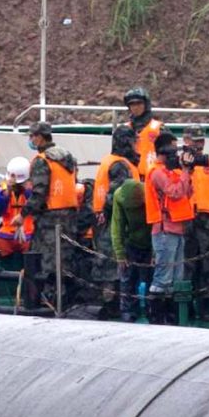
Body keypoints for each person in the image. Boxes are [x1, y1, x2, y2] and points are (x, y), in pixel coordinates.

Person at [15, 121, 78, 309]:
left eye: (32, 136)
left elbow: (39, 193)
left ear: (40, 137)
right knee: (65, 261)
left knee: (48, 263)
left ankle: (50, 303)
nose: (30, 140)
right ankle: (65, 302)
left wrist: (23, 214)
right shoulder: (67, 157)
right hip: (70, 216)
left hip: (50, 219)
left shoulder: (42, 161)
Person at [145, 132, 195, 324]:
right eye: (174, 149)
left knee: (176, 277)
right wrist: (184, 172)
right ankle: (157, 317)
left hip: (176, 228)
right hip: (165, 230)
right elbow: (175, 192)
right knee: (163, 277)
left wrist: (186, 172)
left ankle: (171, 317)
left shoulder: (171, 172)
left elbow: (187, 192)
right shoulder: (157, 172)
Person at [91, 125, 140, 307]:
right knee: (115, 264)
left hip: (104, 220)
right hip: (114, 222)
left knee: (108, 263)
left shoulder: (109, 161)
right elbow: (117, 193)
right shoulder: (120, 165)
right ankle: (113, 305)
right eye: (134, 141)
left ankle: (109, 302)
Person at [182, 125, 209, 321]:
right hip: (185, 221)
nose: (198, 145)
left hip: (208, 223)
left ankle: (205, 307)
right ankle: (186, 306)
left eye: (201, 141)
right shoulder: (177, 162)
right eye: (194, 141)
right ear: (185, 141)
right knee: (187, 265)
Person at [111, 178, 152, 323]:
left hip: (150, 241)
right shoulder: (118, 196)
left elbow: (156, 224)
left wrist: (154, 252)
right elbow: (117, 226)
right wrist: (120, 254)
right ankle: (127, 311)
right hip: (131, 242)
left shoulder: (150, 193)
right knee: (127, 278)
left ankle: (151, 309)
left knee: (150, 279)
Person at [124, 86, 165, 177]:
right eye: (132, 104)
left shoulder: (158, 128)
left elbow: (169, 154)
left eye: (139, 103)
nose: (136, 107)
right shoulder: (125, 130)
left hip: (154, 178)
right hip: (132, 179)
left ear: (146, 104)